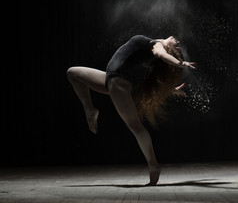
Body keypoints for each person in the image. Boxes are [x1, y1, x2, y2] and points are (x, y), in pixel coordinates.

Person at [67, 35, 196, 185]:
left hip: (117, 82)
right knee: (72, 73)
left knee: (136, 127)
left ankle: (153, 165)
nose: (178, 41)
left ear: (169, 49)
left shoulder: (157, 45)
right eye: (178, 43)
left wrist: (180, 63)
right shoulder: (149, 47)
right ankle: (90, 109)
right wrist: (171, 89)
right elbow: (151, 80)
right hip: (110, 79)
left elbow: (160, 54)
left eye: (177, 45)